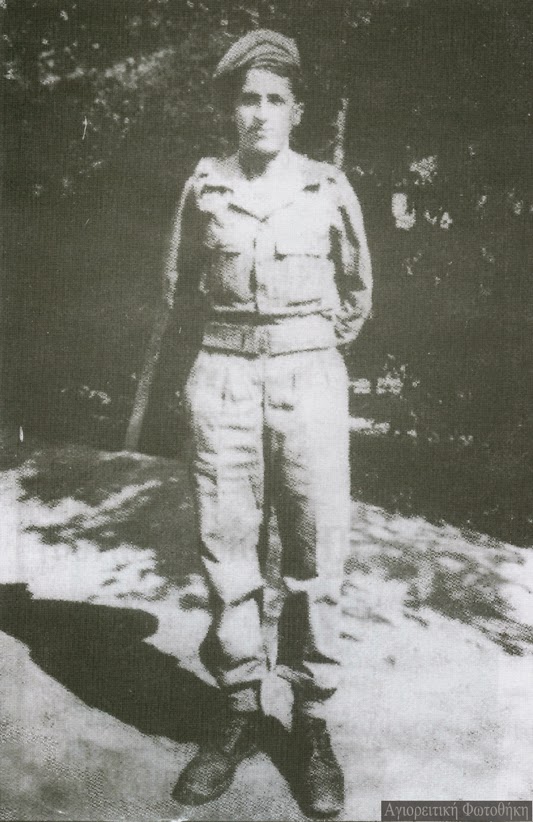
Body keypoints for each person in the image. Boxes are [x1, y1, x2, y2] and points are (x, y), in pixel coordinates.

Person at [167, 29, 372, 818]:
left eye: (273, 99)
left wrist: (302, 346)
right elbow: (179, 281)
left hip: (307, 370)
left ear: (296, 110)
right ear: (232, 110)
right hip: (221, 371)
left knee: (316, 548)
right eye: (246, 99)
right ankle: (239, 711)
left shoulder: (326, 187)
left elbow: (356, 292)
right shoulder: (205, 187)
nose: (258, 112)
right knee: (226, 546)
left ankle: (311, 722)